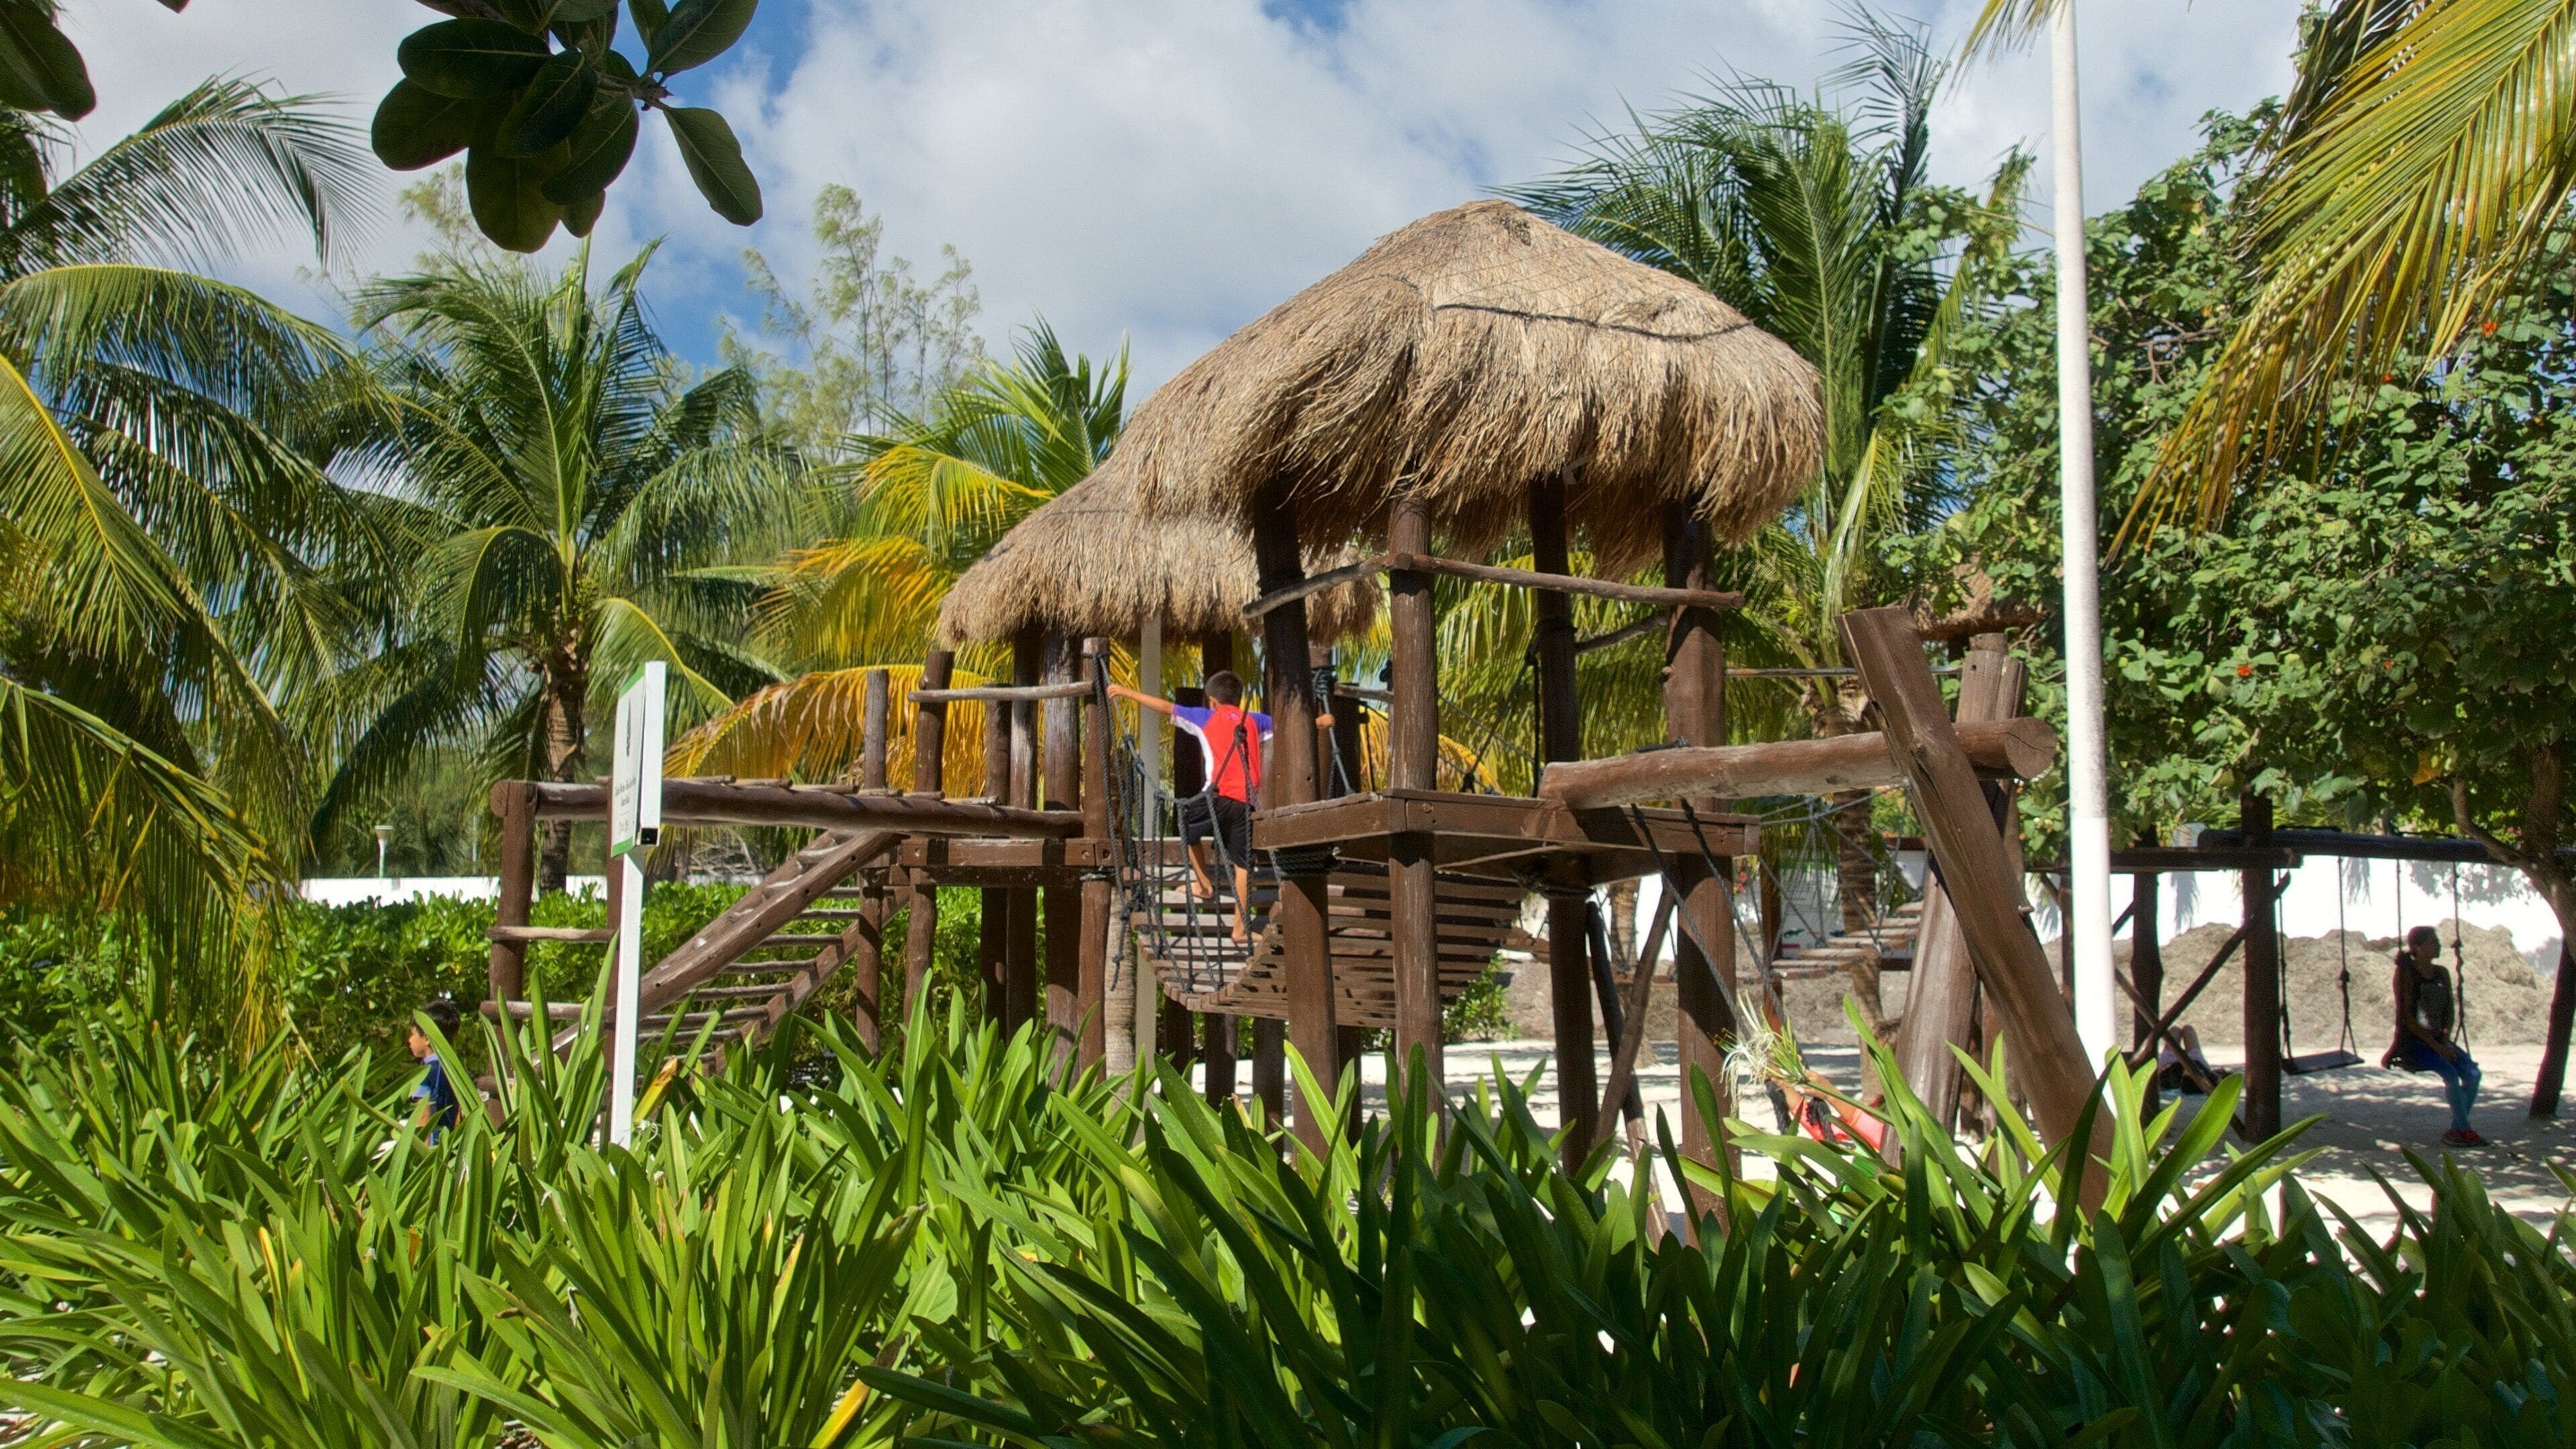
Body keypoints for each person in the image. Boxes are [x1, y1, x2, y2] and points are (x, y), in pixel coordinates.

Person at [1110, 670, 1330, 944]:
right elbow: (1290, 726)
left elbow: (1166, 707)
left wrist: (1126, 692)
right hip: (1245, 803)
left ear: (1212, 701)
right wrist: (1321, 721)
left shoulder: (1205, 717)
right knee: (1243, 864)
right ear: (1238, 699)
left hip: (1216, 797)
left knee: (1185, 822)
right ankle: (1240, 929)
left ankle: (1204, 885)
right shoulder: (1254, 720)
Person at [2381, 924, 2483, 1147]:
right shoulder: (2406, 974)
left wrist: (2445, 1039)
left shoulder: (2442, 973)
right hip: (2416, 1043)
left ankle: (2457, 1129)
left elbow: (2450, 1011)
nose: (2438, 946)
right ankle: (2464, 1130)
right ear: (2417, 947)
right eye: (2433, 942)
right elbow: (2407, 1017)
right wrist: (2438, 1048)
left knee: (2473, 1074)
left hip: (2439, 1040)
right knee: (2451, 1075)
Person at [409, 998, 464, 1140]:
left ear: (427, 1038)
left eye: (412, 1034)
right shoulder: (454, 1070)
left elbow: (424, 1117)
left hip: (433, 1145)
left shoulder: (425, 1073)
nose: (409, 1040)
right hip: (450, 1141)